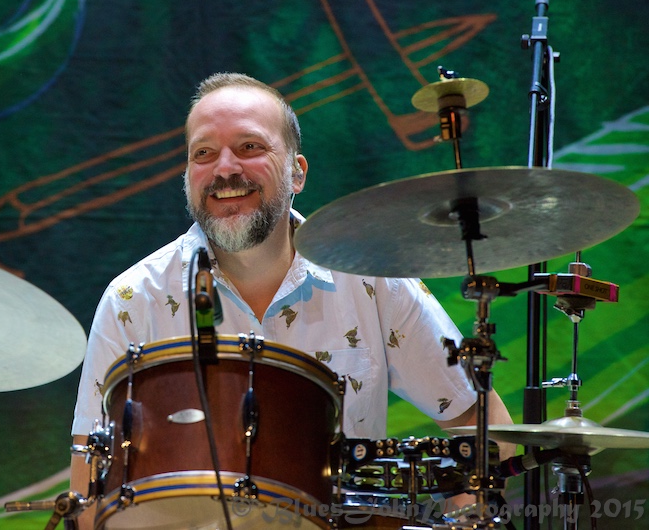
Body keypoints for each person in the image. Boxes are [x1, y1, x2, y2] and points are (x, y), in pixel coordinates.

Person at [70, 72, 513, 528]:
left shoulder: (372, 280)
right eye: (204, 153)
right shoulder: (131, 300)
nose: (225, 168)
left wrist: (468, 519)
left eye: (249, 147)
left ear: (297, 172)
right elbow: (86, 495)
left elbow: (483, 426)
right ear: (187, 176)